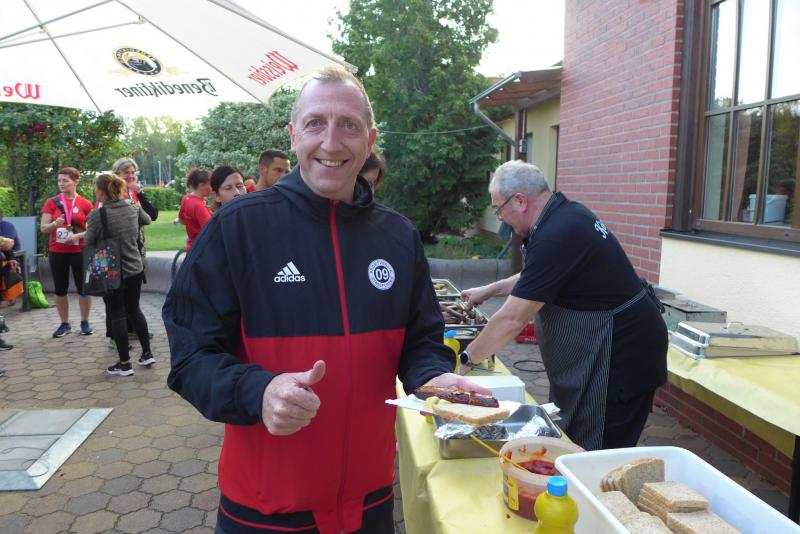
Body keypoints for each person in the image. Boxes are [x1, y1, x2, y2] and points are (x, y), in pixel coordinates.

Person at [163, 67, 488, 534]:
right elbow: (190, 358)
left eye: (348, 125)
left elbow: (422, 340)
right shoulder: (237, 229)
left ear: (369, 140)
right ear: (294, 135)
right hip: (265, 507)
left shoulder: (398, 236)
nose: (331, 143)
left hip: (370, 500)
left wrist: (431, 376)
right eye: (315, 123)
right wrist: (259, 391)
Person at [459, 161, 667, 451]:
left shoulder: (557, 233)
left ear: (520, 201)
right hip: (612, 348)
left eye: (498, 209)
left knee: (595, 452)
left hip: (620, 356)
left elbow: (512, 319)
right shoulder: (563, 215)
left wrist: (466, 361)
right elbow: (539, 276)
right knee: (576, 441)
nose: (500, 218)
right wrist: (489, 290)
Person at [86, 173, 153, 376]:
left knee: (117, 315)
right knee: (134, 309)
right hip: (134, 268)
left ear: (100, 191)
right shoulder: (132, 207)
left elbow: (89, 240)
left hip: (111, 272)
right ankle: (147, 353)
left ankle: (124, 364)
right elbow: (147, 220)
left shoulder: (97, 215)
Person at [40, 167, 94, 338]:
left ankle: (85, 322)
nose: (61, 184)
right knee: (60, 288)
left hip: (80, 250)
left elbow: (93, 229)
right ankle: (64, 324)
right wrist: (54, 224)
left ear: (76, 181)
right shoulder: (51, 202)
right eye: (59, 180)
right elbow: (43, 229)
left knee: (83, 288)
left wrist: (78, 235)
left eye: (65, 180)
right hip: (58, 251)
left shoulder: (85, 203)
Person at [178, 168, 213, 252]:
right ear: (201, 185)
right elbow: (211, 230)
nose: (212, 188)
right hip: (203, 249)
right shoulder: (199, 206)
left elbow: (181, 219)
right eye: (211, 185)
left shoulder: (186, 199)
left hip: (192, 246)